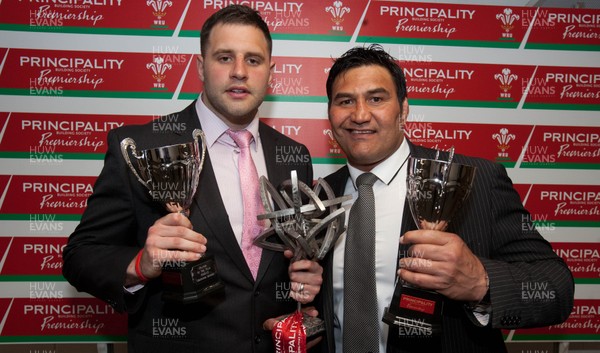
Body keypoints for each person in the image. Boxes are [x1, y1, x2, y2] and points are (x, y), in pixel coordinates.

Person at [62, 5, 322, 353]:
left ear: (271, 72)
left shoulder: (294, 156)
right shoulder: (144, 146)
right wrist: (142, 264)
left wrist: (303, 281)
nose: (240, 72)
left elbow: (289, 261)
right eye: (225, 57)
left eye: (254, 60)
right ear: (201, 66)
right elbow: (81, 257)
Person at [317, 44, 574, 353]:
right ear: (330, 113)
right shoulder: (320, 197)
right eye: (345, 101)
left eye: (376, 98)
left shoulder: (475, 181)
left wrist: (480, 281)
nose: (359, 115)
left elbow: (556, 287)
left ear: (404, 108)